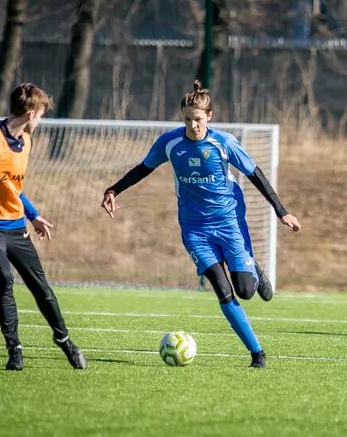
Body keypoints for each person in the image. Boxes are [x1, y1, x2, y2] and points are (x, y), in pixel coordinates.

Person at [101, 80, 301, 368]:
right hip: (194, 229)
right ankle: (257, 353)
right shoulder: (170, 143)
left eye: (197, 119)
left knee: (245, 290)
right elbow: (143, 168)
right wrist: (114, 189)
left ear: (209, 116)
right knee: (221, 289)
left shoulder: (224, 143)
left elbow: (255, 174)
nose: (192, 125)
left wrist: (282, 212)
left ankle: (253, 269)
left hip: (229, 221)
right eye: (187, 120)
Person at [0, 83, 87, 371]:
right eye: (40, 115)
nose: (40, 121)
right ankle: (14, 350)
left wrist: (33, 215)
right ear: (30, 114)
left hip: (16, 227)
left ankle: (65, 340)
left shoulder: (26, 141)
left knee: (41, 287)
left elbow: (12, 187)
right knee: (3, 276)